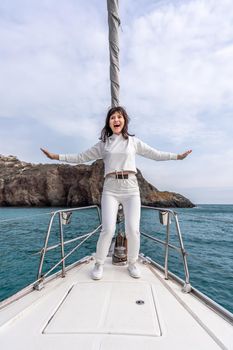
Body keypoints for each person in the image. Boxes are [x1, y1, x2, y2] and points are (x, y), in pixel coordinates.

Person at [41, 106, 192, 280]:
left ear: (124, 121)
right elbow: (80, 157)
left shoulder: (133, 142)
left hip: (131, 187)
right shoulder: (104, 144)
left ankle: (132, 263)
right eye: (112, 118)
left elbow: (155, 154)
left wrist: (177, 157)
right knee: (108, 230)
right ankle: (98, 264)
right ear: (109, 122)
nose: (116, 120)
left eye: (119, 117)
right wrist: (56, 156)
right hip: (111, 188)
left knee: (133, 230)